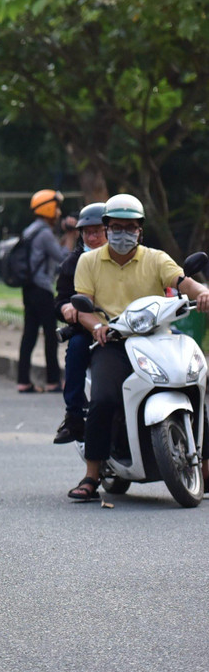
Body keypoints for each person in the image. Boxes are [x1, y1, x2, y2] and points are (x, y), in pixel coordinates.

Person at [65, 194, 209, 501]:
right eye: (116, 227)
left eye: (130, 227)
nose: (123, 233)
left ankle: (206, 468)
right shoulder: (88, 262)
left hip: (158, 338)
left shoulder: (156, 258)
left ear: (140, 230)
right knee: (103, 399)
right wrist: (97, 327)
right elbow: (83, 305)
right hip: (113, 342)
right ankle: (92, 473)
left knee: (194, 388)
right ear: (107, 227)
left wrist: (202, 292)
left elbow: (183, 281)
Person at [52, 203, 106, 444]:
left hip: (128, 327)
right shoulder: (72, 263)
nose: (92, 238)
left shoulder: (130, 258)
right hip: (88, 329)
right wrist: (67, 308)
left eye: (98, 231)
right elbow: (60, 301)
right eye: (87, 232)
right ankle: (74, 414)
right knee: (76, 347)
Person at [16, 189, 67, 393]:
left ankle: (23, 381)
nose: (59, 212)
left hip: (28, 288)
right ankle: (53, 380)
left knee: (29, 334)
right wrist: (71, 236)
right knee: (50, 334)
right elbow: (62, 257)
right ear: (48, 208)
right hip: (42, 289)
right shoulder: (45, 233)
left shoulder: (30, 230)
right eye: (56, 207)